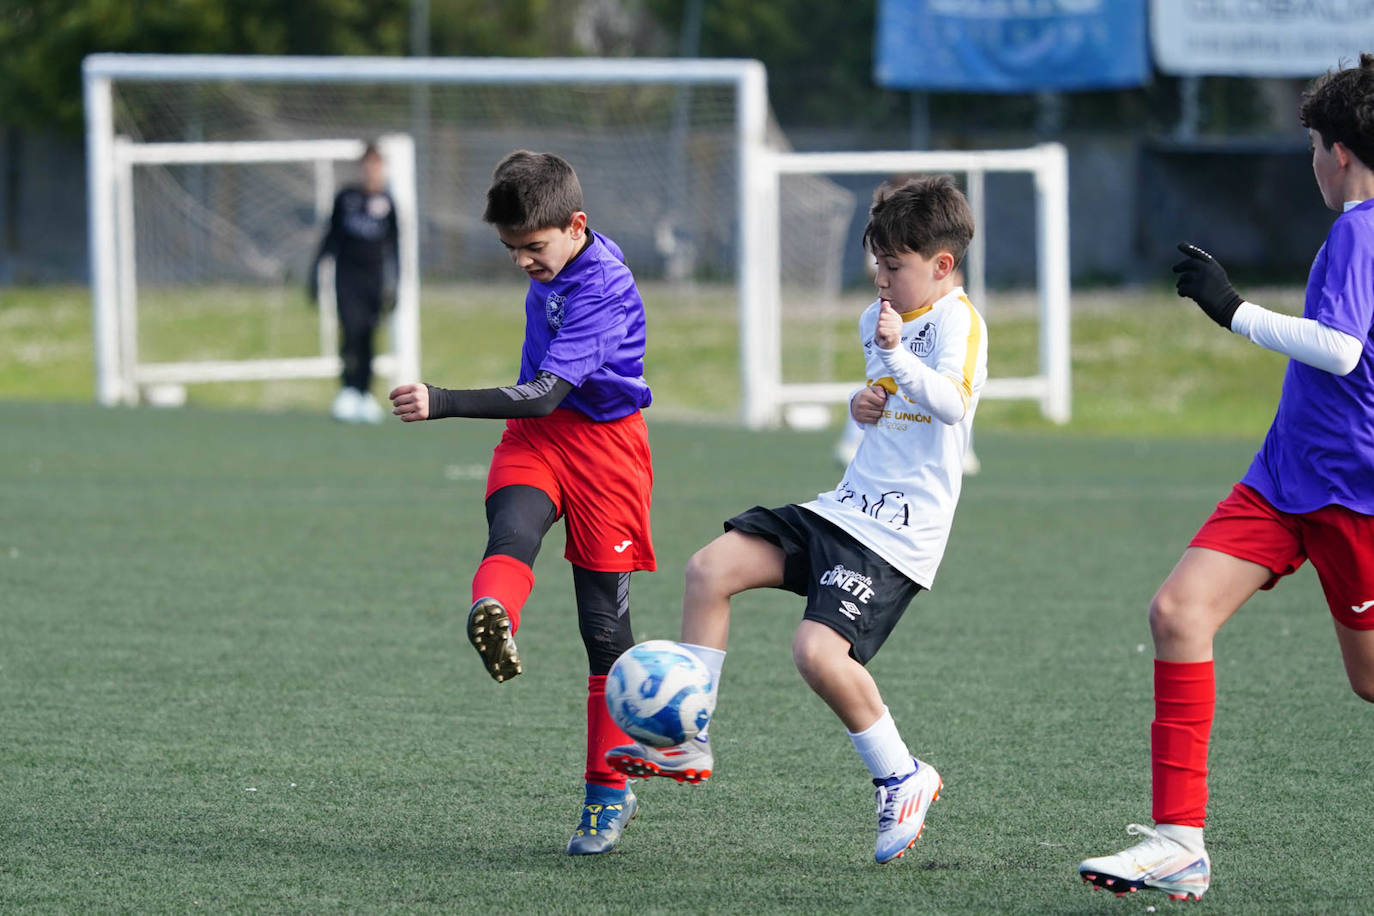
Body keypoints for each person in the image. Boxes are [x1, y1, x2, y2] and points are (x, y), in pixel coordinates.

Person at [606, 174, 988, 864]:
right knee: (708, 569)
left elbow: (951, 404)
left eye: (894, 266)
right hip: (843, 507)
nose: (880, 277)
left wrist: (896, 358)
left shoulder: (956, 320)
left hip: (896, 536)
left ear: (942, 267)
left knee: (816, 653)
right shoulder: (879, 318)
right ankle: (691, 736)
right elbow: (882, 394)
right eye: (876, 262)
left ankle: (902, 776)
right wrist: (861, 401)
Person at [1077, 55, 1374, 903]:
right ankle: (1179, 842)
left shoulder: (1361, 227)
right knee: (1177, 611)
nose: (1312, 161)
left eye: (1314, 144)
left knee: (1370, 681)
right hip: (1284, 480)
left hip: (1353, 496)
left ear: (1341, 153)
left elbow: (1344, 350)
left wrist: (1231, 310)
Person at [388, 150, 655, 856]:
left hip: (605, 452)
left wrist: (440, 400)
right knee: (511, 531)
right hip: (535, 440)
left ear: (576, 226)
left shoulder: (605, 287)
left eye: (533, 249)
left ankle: (607, 795)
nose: (523, 264)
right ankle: (497, 613)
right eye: (511, 251)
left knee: (603, 632)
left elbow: (545, 392)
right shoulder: (563, 248)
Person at [310, 142, 399, 424]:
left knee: (368, 335)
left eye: (376, 164)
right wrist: (314, 272)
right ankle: (347, 390)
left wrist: (394, 283)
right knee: (349, 331)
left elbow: (394, 247)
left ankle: (364, 393)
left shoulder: (387, 202)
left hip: (374, 280)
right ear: (362, 167)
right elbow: (330, 238)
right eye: (368, 164)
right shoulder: (346, 198)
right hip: (347, 277)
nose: (372, 170)